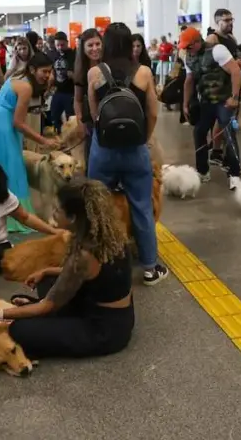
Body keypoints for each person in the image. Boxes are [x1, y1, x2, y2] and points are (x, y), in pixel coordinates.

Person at [0, 180, 134, 359]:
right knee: (47, 281)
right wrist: (47, 271)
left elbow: (46, 306)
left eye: (58, 210)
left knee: (19, 330)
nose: (54, 213)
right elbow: (90, 276)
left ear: (73, 218)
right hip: (117, 313)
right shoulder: (110, 235)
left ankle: (45, 317)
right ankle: (46, 312)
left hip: (103, 330)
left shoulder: (84, 256)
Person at [87, 23, 167, 286]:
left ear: (106, 44)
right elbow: (153, 112)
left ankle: (99, 261)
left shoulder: (94, 73)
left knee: (98, 207)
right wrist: (143, 139)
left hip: (103, 150)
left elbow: (95, 114)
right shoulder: (143, 72)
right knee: (142, 206)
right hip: (135, 149)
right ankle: (149, 267)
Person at [0, 53, 59, 232]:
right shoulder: (26, 87)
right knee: (13, 169)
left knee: (2, 168)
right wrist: (43, 141)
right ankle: (16, 216)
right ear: (33, 69)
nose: (47, 75)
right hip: (4, 125)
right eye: (44, 71)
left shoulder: (19, 77)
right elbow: (18, 123)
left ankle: (1, 211)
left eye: (50, 72)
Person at [182, 27, 241, 190]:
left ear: (197, 41)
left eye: (189, 46)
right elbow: (189, 80)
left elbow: (236, 71)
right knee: (199, 132)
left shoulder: (217, 50)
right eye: (184, 47)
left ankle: (235, 174)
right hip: (206, 102)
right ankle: (202, 171)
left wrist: (235, 97)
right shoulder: (188, 57)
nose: (187, 50)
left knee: (228, 134)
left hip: (224, 101)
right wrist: (185, 103)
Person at [204, 9, 241, 167]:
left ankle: (221, 152)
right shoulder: (213, 39)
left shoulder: (232, 38)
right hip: (218, 89)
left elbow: (235, 60)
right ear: (217, 22)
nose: (230, 23)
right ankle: (217, 151)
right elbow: (208, 64)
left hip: (232, 84)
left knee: (228, 122)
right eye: (226, 20)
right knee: (221, 121)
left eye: (231, 20)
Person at [73, 29, 103, 173]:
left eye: (98, 44)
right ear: (83, 48)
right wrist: (80, 122)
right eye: (90, 45)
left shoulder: (109, 65)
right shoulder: (81, 70)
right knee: (92, 162)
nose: (95, 48)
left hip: (108, 119)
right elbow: (78, 100)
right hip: (90, 123)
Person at [49, 31, 77, 134]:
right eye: (57, 45)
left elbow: (79, 76)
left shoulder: (74, 55)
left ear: (67, 42)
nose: (60, 47)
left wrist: (72, 75)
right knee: (54, 115)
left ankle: (70, 138)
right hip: (58, 91)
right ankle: (59, 136)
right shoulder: (54, 55)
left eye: (62, 45)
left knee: (71, 118)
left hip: (71, 92)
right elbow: (52, 72)